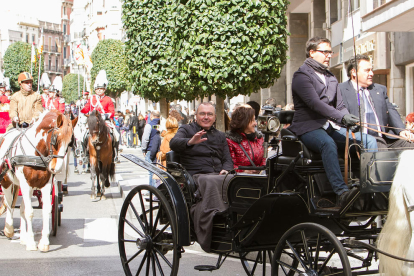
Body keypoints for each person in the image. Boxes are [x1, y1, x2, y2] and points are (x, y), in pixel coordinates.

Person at [288, 37, 377, 209]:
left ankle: (370, 187)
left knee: (368, 140)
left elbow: (340, 106)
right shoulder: (301, 76)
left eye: (330, 52)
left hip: (330, 126)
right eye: (324, 52)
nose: (329, 55)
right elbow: (316, 104)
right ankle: (342, 192)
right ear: (312, 53)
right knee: (328, 144)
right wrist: (341, 118)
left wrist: (349, 120)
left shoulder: (330, 76)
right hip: (309, 126)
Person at [339, 54, 414, 149]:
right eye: (367, 70)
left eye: (371, 70)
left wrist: (401, 130)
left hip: (385, 136)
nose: (371, 74)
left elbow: (390, 109)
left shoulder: (379, 89)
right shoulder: (341, 89)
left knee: (410, 145)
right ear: (353, 72)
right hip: (359, 139)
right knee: (379, 146)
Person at [170, 102, 233, 175]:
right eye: (202, 114)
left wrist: (226, 169)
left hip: (219, 174)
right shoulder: (186, 129)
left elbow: (227, 159)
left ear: (214, 117)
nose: (206, 117)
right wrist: (190, 142)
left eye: (210, 114)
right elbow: (173, 143)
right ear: (196, 116)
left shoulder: (220, 135)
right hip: (197, 175)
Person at [80, 70, 120, 162]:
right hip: (93, 121)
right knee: (83, 135)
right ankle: (85, 155)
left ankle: (115, 154)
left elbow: (112, 112)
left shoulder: (108, 99)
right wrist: (82, 110)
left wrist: (105, 115)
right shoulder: (91, 99)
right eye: (97, 89)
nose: (99, 90)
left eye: (101, 89)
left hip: (105, 120)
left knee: (116, 135)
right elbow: (86, 108)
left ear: (104, 89)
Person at [226, 105, 265, 173]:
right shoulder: (230, 140)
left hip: (259, 179)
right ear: (244, 122)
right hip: (239, 180)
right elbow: (229, 164)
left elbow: (264, 159)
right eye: (252, 120)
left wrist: (261, 169)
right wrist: (243, 171)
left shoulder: (259, 138)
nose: (255, 123)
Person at [141, 110, 161, 187]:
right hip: (159, 150)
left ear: (151, 115)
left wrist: (143, 149)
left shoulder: (149, 125)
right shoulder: (160, 124)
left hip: (150, 150)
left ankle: (152, 191)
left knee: (151, 171)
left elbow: (145, 139)